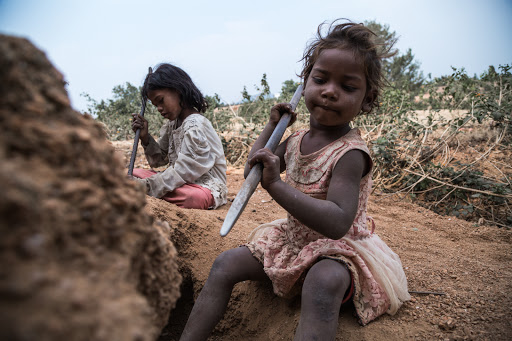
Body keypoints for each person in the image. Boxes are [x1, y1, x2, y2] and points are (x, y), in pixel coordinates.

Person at [179, 20, 410, 340]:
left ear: (367, 100)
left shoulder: (351, 154)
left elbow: (337, 222)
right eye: (321, 79)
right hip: (293, 239)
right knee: (225, 264)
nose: (330, 91)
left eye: (347, 86)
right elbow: (251, 172)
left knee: (323, 282)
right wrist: (271, 126)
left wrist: (276, 185)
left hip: (338, 249)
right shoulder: (297, 138)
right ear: (305, 83)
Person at [131, 63, 227, 210]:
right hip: (180, 183)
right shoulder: (172, 124)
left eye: (161, 100)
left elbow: (184, 171)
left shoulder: (195, 125)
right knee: (131, 173)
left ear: (178, 91)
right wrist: (145, 137)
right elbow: (159, 160)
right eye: (155, 105)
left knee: (193, 199)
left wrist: (146, 186)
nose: (159, 109)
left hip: (202, 187)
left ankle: (144, 191)